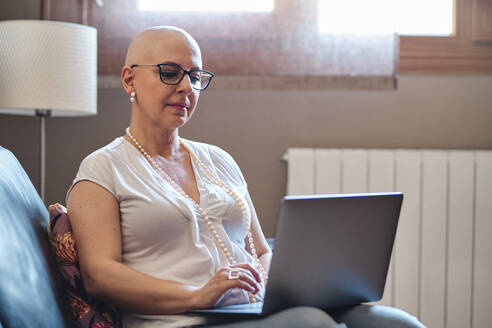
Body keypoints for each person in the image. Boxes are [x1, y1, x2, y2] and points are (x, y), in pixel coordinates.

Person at [67, 26, 425, 328]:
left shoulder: (218, 160)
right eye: (170, 72)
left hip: (248, 309)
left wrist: (274, 282)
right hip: (181, 319)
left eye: (195, 76)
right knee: (310, 323)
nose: (187, 87)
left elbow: (262, 250)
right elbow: (100, 276)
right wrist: (198, 294)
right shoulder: (102, 169)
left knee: (394, 323)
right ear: (129, 78)